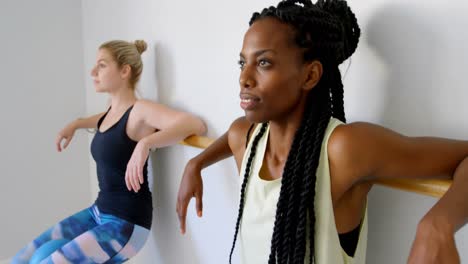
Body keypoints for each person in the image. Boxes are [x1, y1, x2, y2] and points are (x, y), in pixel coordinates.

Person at [176, 1, 468, 263]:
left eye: (263, 62)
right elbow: (230, 136)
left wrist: (437, 225)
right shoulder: (246, 137)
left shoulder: (343, 149)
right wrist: (196, 163)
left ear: (310, 75)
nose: (244, 78)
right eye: (243, 62)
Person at [12, 39, 207, 264]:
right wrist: (76, 124)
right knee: (22, 259)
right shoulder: (111, 111)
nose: (93, 71)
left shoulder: (141, 110)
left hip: (125, 224)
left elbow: (194, 124)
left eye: (102, 65)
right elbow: (103, 122)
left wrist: (146, 143)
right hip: (98, 213)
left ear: (124, 71)